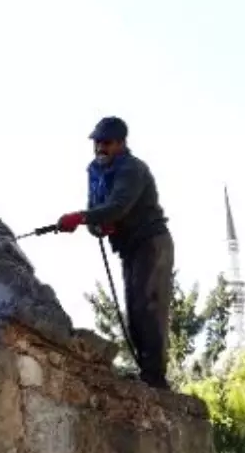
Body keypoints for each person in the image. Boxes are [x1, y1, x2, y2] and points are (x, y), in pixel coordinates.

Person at [54, 117, 175, 390]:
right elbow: (97, 213)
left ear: (121, 143)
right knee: (133, 309)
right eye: (97, 142)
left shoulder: (132, 169)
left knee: (149, 307)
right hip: (129, 248)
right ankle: (147, 373)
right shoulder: (94, 172)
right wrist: (96, 225)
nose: (100, 148)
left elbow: (119, 205)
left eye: (106, 142)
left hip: (152, 243)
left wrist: (82, 217)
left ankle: (155, 377)